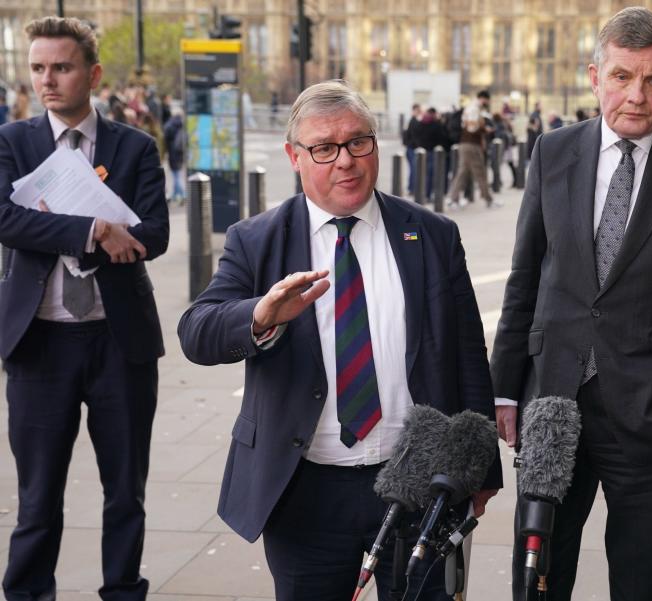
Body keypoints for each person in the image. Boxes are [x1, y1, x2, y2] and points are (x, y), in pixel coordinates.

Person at [177, 80, 502, 601]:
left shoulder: (432, 234)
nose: (345, 161)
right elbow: (197, 331)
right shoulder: (257, 240)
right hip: (305, 493)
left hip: (417, 483)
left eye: (358, 142)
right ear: (294, 156)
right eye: (324, 148)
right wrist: (260, 315)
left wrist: (481, 470)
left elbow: (467, 354)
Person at [490, 7, 652, 601]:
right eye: (622, 76)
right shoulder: (552, 153)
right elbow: (526, 276)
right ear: (595, 75)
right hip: (552, 405)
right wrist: (506, 386)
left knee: (643, 582)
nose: (636, 95)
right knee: (538, 580)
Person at [0, 16, 169, 600]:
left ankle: (122, 592)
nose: (48, 80)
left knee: (126, 491)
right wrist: (95, 227)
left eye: (62, 67)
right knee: (38, 496)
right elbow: (5, 219)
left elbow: (156, 233)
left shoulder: (135, 146)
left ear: (92, 74)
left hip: (119, 344)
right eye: (39, 68)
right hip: (39, 345)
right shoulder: (11, 142)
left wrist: (106, 230)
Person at [448, 94, 495, 208]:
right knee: (480, 172)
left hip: (466, 144)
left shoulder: (471, 108)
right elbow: (472, 128)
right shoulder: (474, 109)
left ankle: (452, 199)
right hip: (471, 145)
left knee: (462, 172)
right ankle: (488, 199)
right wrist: (485, 129)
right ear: (483, 98)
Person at [163, 107, 187, 203]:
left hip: (172, 152)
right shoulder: (183, 124)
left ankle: (182, 194)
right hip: (181, 152)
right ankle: (175, 193)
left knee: (176, 174)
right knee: (177, 173)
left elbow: (165, 139)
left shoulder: (169, 125)